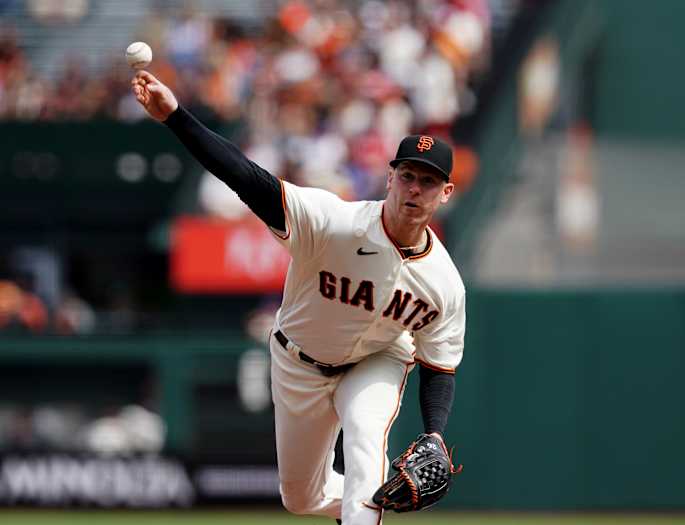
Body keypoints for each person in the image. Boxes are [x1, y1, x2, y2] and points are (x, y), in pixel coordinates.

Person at [131, 70, 466, 524]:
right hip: (299, 361)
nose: (414, 188)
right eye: (407, 175)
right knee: (301, 498)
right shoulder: (333, 222)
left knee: (367, 443)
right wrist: (175, 116)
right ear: (389, 178)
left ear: (445, 192)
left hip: (378, 357)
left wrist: (435, 434)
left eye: (428, 182)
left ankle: (362, 508)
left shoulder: (444, 283)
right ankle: (359, 507)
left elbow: (439, 366)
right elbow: (245, 177)